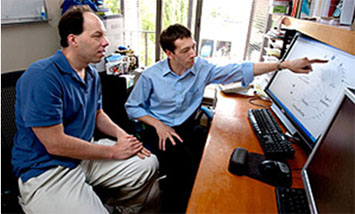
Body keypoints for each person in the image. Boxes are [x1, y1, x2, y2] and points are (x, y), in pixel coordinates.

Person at [125, 23, 327, 213]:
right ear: (169, 53)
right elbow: (132, 107)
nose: (193, 54)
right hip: (160, 131)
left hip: (187, 127)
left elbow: (239, 70)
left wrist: (284, 65)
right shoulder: (151, 76)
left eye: (193, 47)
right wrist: (157, 124)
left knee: (217, 160)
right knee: (188, 172)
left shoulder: (201, 68)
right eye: (185, 50)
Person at [11, 5, 159, 214]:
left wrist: (123, 137)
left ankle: (119, 208)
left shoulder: (90, 74)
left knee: (147, 164)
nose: (106, 43)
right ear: (73, 40)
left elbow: (97, 113)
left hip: (84, 155)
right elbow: (55, 144)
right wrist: (113, 151)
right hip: (46, 168)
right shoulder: (42, 76)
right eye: (97, 36)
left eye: (104, 36)